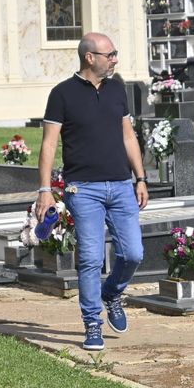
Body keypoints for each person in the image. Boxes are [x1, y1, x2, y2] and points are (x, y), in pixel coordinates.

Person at [36, 31, 150, 351]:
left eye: (114, 54)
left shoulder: (117, 89)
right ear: (90, 57)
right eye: (109, 54)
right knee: (90, 259)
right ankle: (92, 323)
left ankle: (111, 293)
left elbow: (128, 136)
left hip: (122, 185)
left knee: (133, 254)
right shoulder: (62, 94)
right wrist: (45, 189)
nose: (115, 59)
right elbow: (48, 144)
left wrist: (140, 178)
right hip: (83, 189)